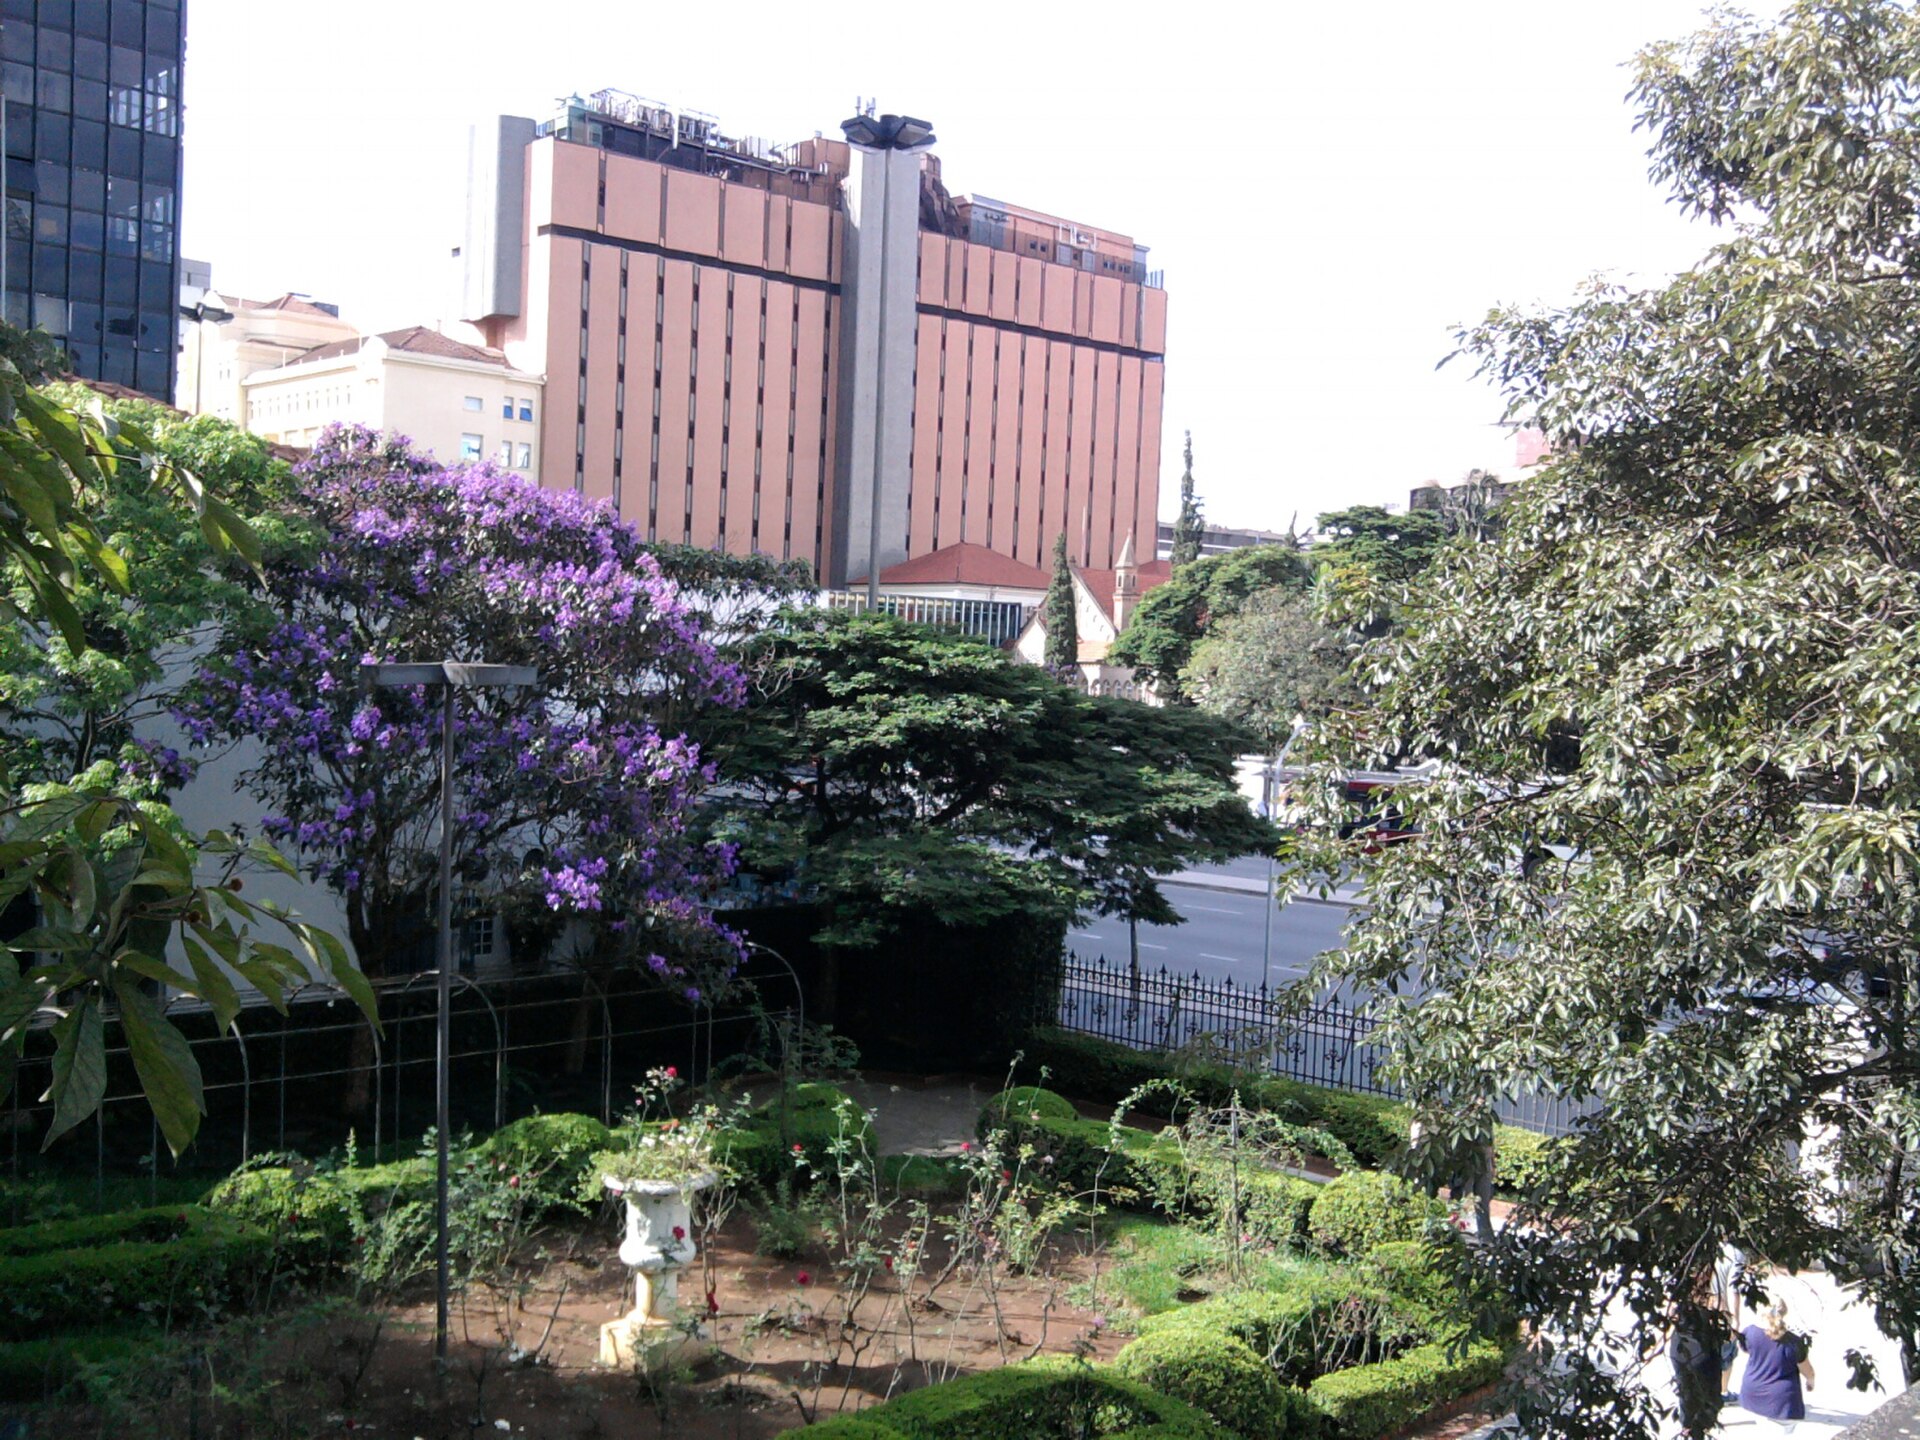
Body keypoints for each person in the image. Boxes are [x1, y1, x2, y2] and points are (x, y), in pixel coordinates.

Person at [1739, 1300, 1815, 1433]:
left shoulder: (1749, 1332)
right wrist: (1811, 1382)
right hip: (1782, 1402)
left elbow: (1746, 1350)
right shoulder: (1794, 1342)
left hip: (1752, 1394)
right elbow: (1808, 1371)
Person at [1669, 1291, 1727, 1439]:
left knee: (1685, 1390)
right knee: (1709, 1395)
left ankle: (1686, 1426)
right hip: (1701, 1350)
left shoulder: (1680, 1295)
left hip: (1679, 1348)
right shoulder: (1709, 1297)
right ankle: (1698, 1428)